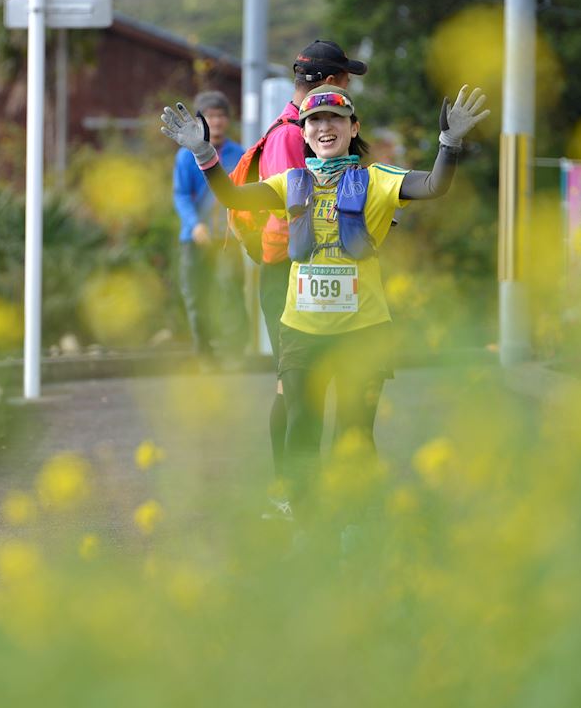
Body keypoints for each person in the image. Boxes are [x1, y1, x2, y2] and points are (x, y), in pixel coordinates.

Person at [161, 83, 490, 516]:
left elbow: (433, 186)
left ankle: (355, 524)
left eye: (335, 118)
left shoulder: (376, 180)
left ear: (353, 128)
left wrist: (450, 143)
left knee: (354, 434)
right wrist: (204, 154)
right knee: (301, 428)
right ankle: (307, 523)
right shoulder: (289, 182)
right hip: (301, 331)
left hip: (363, 332)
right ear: (304, 132)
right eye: (314, 120)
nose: (324, 126)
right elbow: (233, 197)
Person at [230, 41, 370, 503]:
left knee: (296, 387)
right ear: (331, 84)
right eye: (347, 80)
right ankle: (290, 494)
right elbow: (305, 209)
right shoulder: (298, 136)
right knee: (292, 389)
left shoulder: (283, 128)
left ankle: (298, 494)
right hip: (294, 273)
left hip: (295, 270)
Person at [173, 90, 248, 364]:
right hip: (195, 239)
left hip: (228, 237)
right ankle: (205, 356)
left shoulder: (239, 153)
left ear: (228, 120)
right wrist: (194, 225)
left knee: (232, 291)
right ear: (199, 121)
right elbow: (181, 194)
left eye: (220, 116)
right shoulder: (185, 156)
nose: (216, 122)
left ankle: (236, 353)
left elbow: (245, 192)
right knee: (197, 296)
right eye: (210, 117)